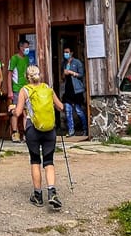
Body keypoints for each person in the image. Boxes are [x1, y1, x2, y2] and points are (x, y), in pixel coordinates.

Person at [11, 66, 65, 210]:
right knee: (49, 161)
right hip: (49, 130)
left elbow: (17, 113)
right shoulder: (47, 88)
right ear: (39, 75)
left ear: (27, 77)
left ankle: (38, 195)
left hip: (32, 130)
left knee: (35, 160)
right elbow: (61, 107)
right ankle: (52, 192)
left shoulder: (24, 90)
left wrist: (12, 109)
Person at [8, 39, 36, 143]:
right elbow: (9, 74)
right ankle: (15, 133)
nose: (27, 49)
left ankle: (26, 134)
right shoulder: (14, 58)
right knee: (16, 111)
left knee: (26, 112)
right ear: (20, 47)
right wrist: (10, 91)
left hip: (26, 89)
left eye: (28, 47)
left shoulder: (27, 59)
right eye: (26, 47)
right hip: (16, 89)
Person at [61, 47, 87, 137]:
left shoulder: (77, 62)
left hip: (77, 90)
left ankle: (85, 129)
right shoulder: (64, 63)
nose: (65, 54)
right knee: (68, 110)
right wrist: (64, 74)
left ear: (71, 53)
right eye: (64, 52)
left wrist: (72, 73)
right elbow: (63, 78)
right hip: (68, 90)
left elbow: (81, 75)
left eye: (67, 52)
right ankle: (71, 130)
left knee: (78, 110)